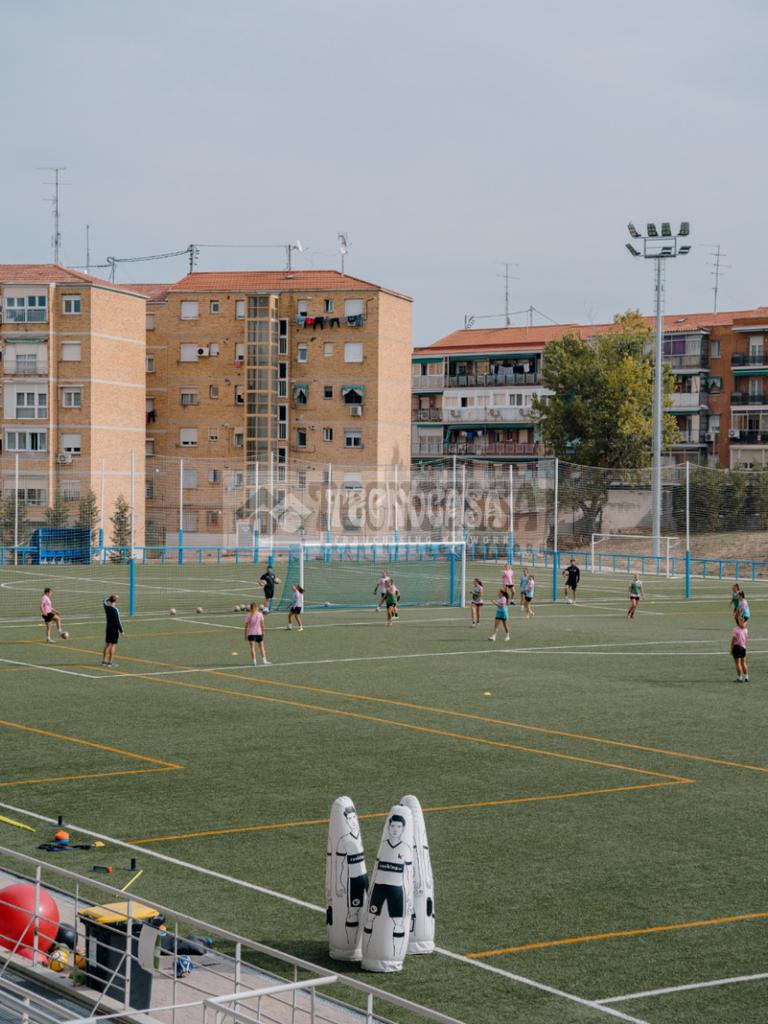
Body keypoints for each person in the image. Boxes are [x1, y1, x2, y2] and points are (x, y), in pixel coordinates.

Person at [102, 595, 124, 667]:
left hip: (108, 629)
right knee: (113, 645)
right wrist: (121, 631)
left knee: (107, 644)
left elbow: (104, 601)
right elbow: (118, 622)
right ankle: (110, 662)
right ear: (115, 601)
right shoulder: (115, 610)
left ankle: (104, 661)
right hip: (114, 630)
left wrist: (110, 598)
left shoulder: (107, 608)